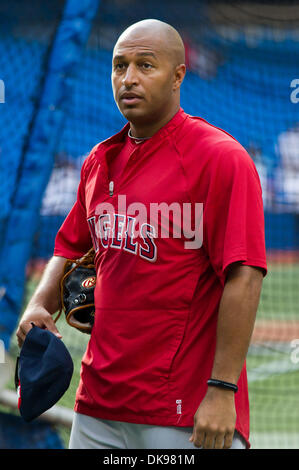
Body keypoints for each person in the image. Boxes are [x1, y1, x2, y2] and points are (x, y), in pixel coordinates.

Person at [16, 19, 267, 450]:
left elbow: (244, 276)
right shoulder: (100, 160)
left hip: (182, 410)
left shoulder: (220, 159)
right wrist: (41, 303)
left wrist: (222, 391)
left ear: (177, 76)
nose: (128, 78)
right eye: (119, 66)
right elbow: (72, 245)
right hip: (98, 405)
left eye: (145, 65)